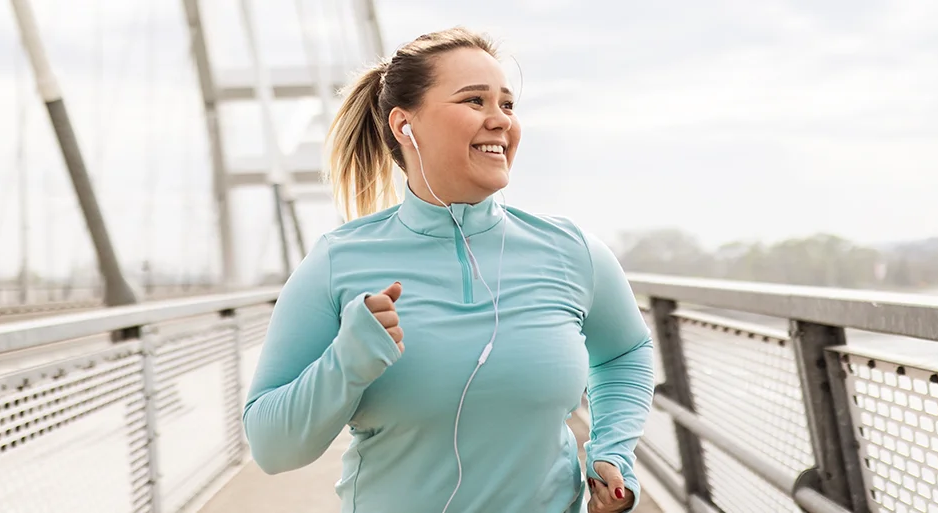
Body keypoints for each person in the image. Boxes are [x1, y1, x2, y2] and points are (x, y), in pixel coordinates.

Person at [242, 27, 655, 513]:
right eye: (474, 100)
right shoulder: (337, 261)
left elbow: (626, 352)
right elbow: (271, 449)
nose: (500, 120)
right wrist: (347, 362)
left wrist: (612, 452)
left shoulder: (572, 251)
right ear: (404, 125)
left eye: (507, 104)